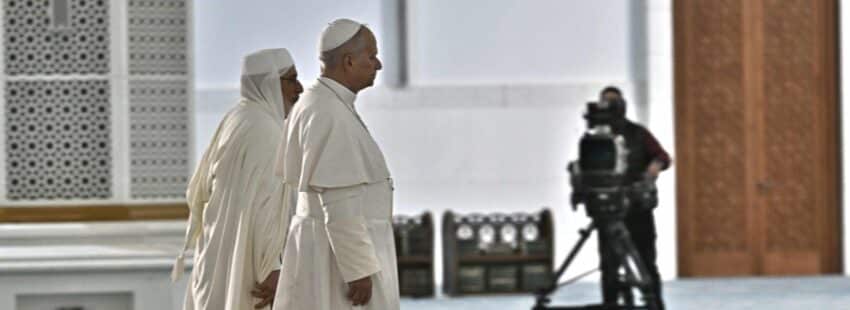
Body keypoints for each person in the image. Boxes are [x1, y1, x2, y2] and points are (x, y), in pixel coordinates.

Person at [272, 18, 399, 309]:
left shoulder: (321, 103)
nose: (378, 65)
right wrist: (359, 271)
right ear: (349, 61)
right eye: (372, 56)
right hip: (337, 261)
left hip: (329, 249)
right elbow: (338, 199)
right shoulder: (327, 111)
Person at [173, 48, 303, 310]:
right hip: (253, 271)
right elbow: (264, 210)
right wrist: (273, 267)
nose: (299, 88)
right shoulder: (266, 132)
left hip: (220, 257)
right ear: (270, 83)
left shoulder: (238, 119)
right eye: (291, 79)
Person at [597, 86, 671, 309]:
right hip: (608, 209)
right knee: (609, 266)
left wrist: (653, 169)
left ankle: (655, 304)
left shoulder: (638, 133)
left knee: (646, 262)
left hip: (638, 209)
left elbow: (662, 157)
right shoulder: (596, 137)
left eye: (614, 103)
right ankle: (611, 303)